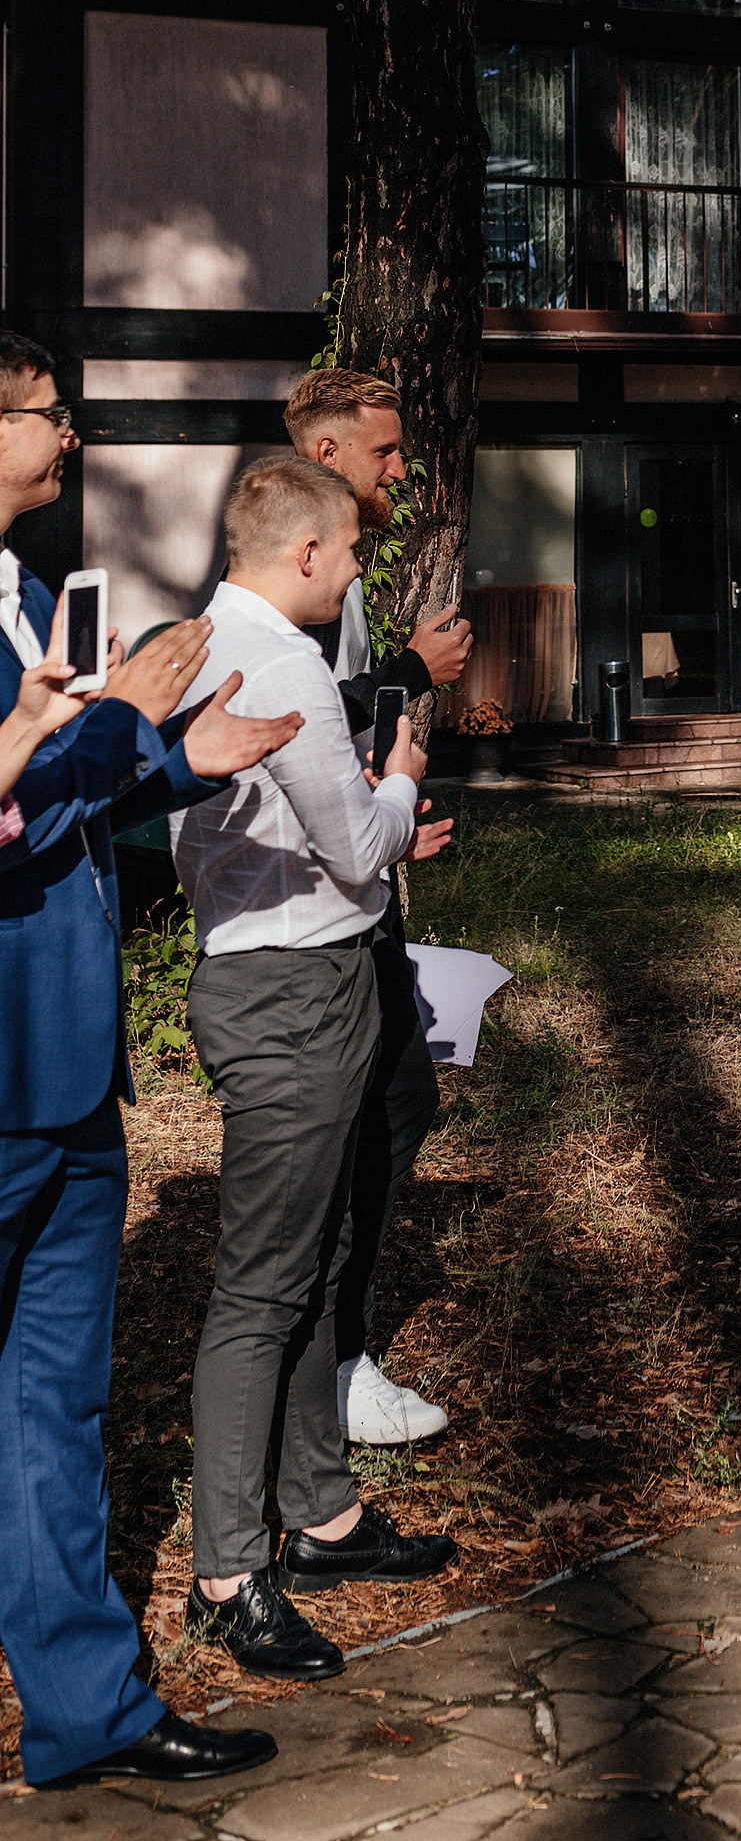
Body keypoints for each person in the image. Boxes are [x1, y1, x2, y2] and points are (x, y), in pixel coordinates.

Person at [0, 331, 308, 1788]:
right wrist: (99, 719)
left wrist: (179, 754)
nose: (72, 442)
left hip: (67, 1072)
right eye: (55, 416)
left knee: (52, 1412)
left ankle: (89, 1714)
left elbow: (53, 786)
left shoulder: (19, 592)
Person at [172, 456, 458, 1683]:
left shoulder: (207, 633)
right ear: (299, 553)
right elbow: (354, 851)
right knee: (263, 1287)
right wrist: (398, 777)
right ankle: (231, 1569)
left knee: (318, 1255)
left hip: (293, 978)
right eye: (346, 553)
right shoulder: (284, 663)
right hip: (290, 992)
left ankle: (323, 1513)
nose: (355, 571)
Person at [283, 367, 472, 1448]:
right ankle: (337, 1362)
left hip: (357, 871)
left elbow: (333, 744)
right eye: (387, 452)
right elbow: (283, 713)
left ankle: (338, 1352)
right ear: (328, 459)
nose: (402, 469)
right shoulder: (301, 576)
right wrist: (411, 665)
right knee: (380, 1111)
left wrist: (395, 813)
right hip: (314, 915)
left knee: (395, 1105)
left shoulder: (342, 575)